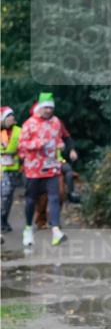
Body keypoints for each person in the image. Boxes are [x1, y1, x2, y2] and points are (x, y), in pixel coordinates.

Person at [18, 93, 68, 247]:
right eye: (46, 107)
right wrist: (39, 143)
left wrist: (61, 145)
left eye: (51, 108)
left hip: (51, 167)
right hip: (33, 169)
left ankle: (55, 230)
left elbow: (58, 139)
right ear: (39, 108)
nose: (48, 110)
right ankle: (28, 229)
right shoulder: (29, 124)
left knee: (54, 197)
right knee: (31, 200)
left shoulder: (56, 122)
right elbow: (21, 145)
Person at [1, 107, 22, 232]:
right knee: (4, 192)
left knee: (8, 196)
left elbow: (24, 146)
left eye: (12, 115)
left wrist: (17, 152)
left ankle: (4, 219)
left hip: (13, 167)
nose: (12, 118)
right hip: (1, 168)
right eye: (9, 116)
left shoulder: (19, 131)